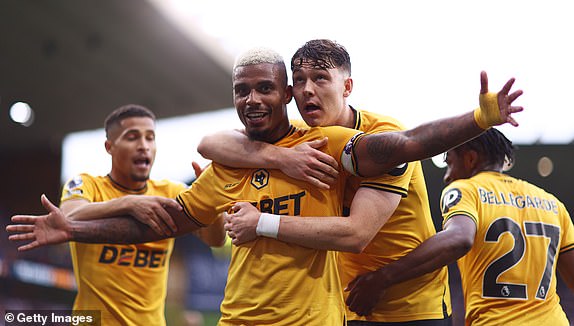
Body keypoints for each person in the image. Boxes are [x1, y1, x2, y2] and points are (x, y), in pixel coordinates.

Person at [9, 47, 521, 326]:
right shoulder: (228, 163)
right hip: (238, 319)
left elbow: (404, 145)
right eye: (241, 90)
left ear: (285, 99)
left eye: (265, 88)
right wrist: (73, 230)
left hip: (327, 318)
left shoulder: (328, 144)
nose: (252, 99)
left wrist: (479, 116)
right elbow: (163, 221)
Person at [199, 39, 522, 325]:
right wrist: (280, 158)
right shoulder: (302, 139)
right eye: (299, 81)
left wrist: (480, 119)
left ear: (347, 86)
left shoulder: (379, 134)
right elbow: (211, 144)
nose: (307, 90)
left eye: (320, 78)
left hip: (411, 308)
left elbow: (357, 233)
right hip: (348, 303)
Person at [346, 128, 574, 325]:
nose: (447, 177)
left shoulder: (466, 190)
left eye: (450, 164)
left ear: (470, 159)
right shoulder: (552, 203)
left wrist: (382, 278)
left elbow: (459, 239)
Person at [59, 104, 225, 325]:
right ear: (110, 146)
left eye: (150, 138)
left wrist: (211, 198)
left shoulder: (171, 192)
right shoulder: (86, 184)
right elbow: (68, 217)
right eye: (132, 137)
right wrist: (128, 203)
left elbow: (215, 239)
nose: (144, 146)